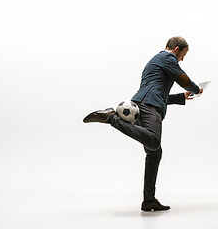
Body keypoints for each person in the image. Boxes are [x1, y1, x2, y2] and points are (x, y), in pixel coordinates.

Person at [83, 36, 203, 211]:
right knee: (154, 141)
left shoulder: (156, 61)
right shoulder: (167, 58)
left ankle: (149, 200)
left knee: (155, 153)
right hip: (149, 107)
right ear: (176, 49)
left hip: (144, 104)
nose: (182, 59)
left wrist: (181, 97)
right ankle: (111, 118)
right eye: (183, 55)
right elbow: (183, 79)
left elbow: (157, 93)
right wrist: (195, 89)